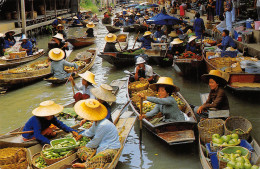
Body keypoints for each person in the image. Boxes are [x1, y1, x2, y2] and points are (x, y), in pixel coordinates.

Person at [72, 99, 121, 168]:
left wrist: (86, 146)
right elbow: (90, 131)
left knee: (101, 156)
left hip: (111, 148)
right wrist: (81, 135)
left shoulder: (103, 124)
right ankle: (91, 161)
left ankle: (87, 164)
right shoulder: (96, 122)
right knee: (81, 150)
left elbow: (96, 141)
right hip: (102, 146)